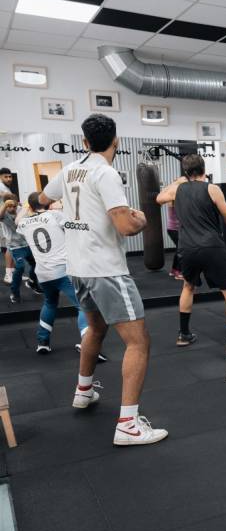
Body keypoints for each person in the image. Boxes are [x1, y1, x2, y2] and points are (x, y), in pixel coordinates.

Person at [41, 113, 167, 446]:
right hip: (106, 270)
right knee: (138, 342)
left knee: (96, 329)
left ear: (84, 142)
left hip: (78, 268)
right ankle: (128, 426)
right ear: (116, 141)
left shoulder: (70, 169)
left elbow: (42, 199)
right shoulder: (106, 173)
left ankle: (83, 391)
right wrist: (141, 220)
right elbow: (125, 226)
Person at [156, 154, 226, 359]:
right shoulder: (212, 189)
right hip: (211, 246)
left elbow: (159, 198)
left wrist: (177, 182)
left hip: (187, 247)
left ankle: (184, 334)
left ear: (186, 172)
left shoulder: (177, 190)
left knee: (188, 287)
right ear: (204, 169)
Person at [17, 193, 109, 359]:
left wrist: (26, 208)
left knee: (50, 303)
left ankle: (42, 342)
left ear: (30, 206)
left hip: (43, 273)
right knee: (83, 306)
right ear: (47, 202)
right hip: (63, 270)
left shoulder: (24, 223)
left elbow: (17, 220)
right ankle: (88, 344)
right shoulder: (55, 215)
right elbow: (76, 226)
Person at [0, 194, 42, 303]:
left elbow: (31, 211)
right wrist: (5, 205)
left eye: (13, 206)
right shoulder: (3, 212)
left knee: (36, 264)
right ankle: (15, 293)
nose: (12, 209)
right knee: (20, 267)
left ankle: (32, 282)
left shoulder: (20, 209)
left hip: (27, 243)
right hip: (15, 246)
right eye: (9, 206)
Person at [1, 168, 14, 284]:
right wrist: (4, 194)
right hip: (3, 219)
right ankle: (8, 274)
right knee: (9, 246)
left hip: (9, 219)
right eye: (6, 177)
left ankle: (13, 272)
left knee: (13, 244)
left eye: (10, 176)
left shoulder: (6, 187)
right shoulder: (1, 186)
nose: (9, 179)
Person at [166, 204, 182, 279]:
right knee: (181, 249)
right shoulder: (171, 202)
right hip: (173, 229)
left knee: (179, 249)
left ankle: (174, 270)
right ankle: (177, 271)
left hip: (177, 229)